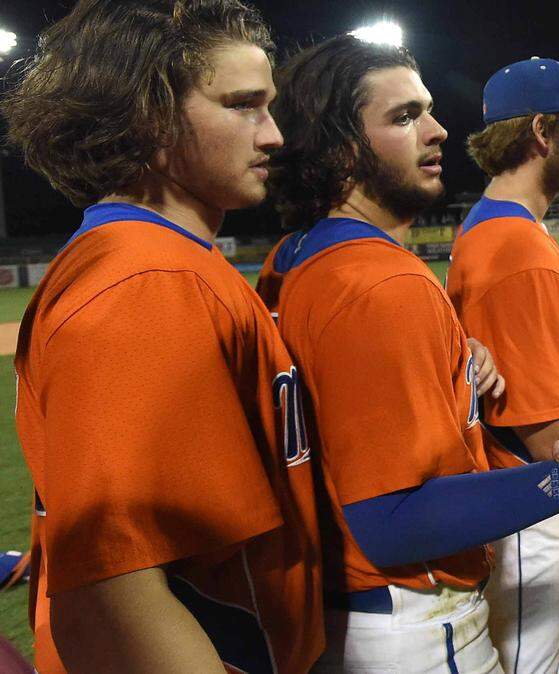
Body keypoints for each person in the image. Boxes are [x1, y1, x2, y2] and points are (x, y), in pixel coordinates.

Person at [264, 37, 559, 674]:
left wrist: (454, 356)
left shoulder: (293, 257)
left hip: (336, 600)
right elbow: (393, 519)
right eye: (404, 116)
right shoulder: (383, 282)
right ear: (343, 147)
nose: (439, 129)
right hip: (409, 609)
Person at [0, 1, 324, 672]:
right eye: (243, 106)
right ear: (146, 120)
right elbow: (110, 594)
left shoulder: (158, 259)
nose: (274, 137)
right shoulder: (145, 281)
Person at [446, 57, 559, 674]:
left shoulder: (493, 227)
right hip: (526, 499)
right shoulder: (516, 247)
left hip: (505, 491)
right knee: (534, 663)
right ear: (544, 133)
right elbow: (550, 439)